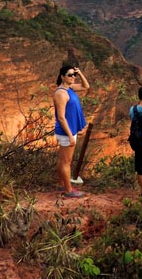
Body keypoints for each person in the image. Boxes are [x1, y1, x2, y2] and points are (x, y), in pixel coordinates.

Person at [53, 64, 90, 198]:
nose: (73, 77)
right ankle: (69, 190)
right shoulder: (61, 93)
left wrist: (80, 73)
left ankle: (62, 183)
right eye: (70, 75)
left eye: (73, 75)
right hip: (65, 131)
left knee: (63, 159)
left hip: (70, 129)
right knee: (66, 162)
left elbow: (86, 87)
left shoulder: (69, 88)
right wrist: (70, 135)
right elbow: (61, 118)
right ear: (62, 77)